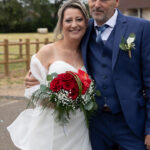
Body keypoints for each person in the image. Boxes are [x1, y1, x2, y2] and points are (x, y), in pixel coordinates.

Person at [25, 0, 150, 150]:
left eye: (103, 0)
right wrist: (36, 76)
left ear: (116, 2)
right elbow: (59, 52)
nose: (97, 4)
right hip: (94, 124)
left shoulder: (140, 28)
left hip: (131, 122)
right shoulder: (84, 27)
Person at [7, 1, 92, 150]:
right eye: (68, 20)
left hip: (79, 126)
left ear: (86, 22)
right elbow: (31, 89)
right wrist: (58, 101)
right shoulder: (48, 51)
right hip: (51, 124)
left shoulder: (89, 53)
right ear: (61, 24)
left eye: (79, 19)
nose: (74, 24)